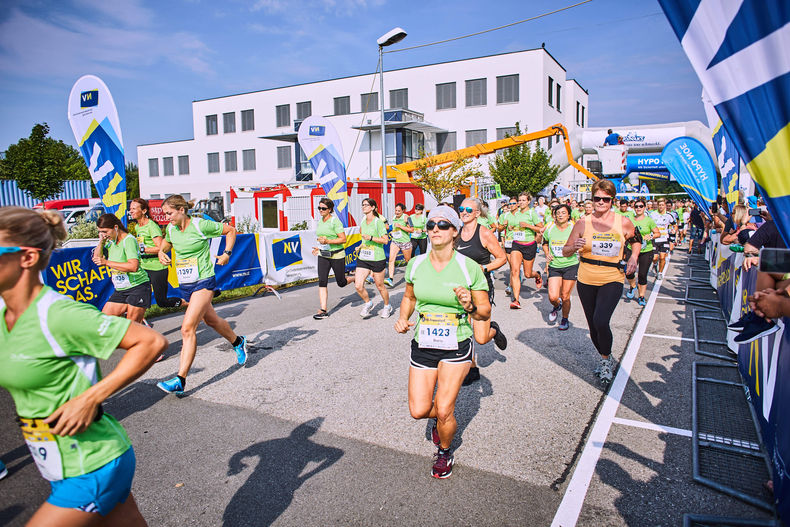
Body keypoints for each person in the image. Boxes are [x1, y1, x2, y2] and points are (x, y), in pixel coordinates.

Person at [0, 206, 167, 526]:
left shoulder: (57, 315)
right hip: (59, 465)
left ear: (27, 258)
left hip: (93, 463)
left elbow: (151, 342)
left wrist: (90, 398)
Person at [394, 205, 491, 479]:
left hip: (457, 343)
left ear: (455, 232)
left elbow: (484, 312)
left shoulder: (468, 267)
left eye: (443, 224)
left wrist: (469, 304)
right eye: (430, 224)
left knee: (445, 409)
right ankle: (441, 420)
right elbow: (410, 297)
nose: (435, 229)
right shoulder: (415, 263)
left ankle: (444, 451)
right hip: (423, 342)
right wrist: (403, 318)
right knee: (419, 410)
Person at [155, 195, 248, 395]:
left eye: (169, 213)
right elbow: (166, 243)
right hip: (186, 284)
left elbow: (230, 230)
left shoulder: (200, 225)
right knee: (212, 321)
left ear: (181, 210)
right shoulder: (171, 229)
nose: (167, 218)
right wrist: (161, 252)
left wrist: (227, 253)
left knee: (188, 328)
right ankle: (238, 342)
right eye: (165, 214)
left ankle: (180, 378)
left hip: (204, 281)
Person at [563, 179, 640, 384]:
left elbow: (636, 239)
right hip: (586, 278)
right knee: (592, 326)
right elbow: (565, 249)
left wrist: (633, 258)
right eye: (597, 198)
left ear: (612, 200)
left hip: (612, 278)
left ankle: (605, 361)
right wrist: (574, 246)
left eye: (605, 199)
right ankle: (605, 354)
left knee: (601, 320)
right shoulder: (582, 222)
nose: (600, 203)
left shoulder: (622, 221)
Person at [455, 198, 509, 385]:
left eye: (469, 209)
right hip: (460, 290)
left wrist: (483, 268)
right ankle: (471, 368)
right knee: (463, 329)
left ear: (478, 213)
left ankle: (494, 330)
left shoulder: (484, 233)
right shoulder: (456, 233)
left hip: (481, 287)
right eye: (461, 208)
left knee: (481, 337)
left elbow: (502, 258)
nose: (464, 212)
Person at [93, 214, 151, 324]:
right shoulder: (111, 242)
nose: (103, 235)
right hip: (121, 289)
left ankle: (149, 339)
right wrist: (101, 241)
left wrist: (107, 262)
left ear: (115, 227)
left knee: (132, 327)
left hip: (137, 287)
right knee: (104, 321)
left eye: (105, 231)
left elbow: (133, 266)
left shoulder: (129, 240)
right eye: (100, 232)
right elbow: (97, 258)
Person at [129, 198, 182, 310]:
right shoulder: (137, 226)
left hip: (157, 268)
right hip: (144, 267)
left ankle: (188, 304)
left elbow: (160, 248)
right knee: (140, 297)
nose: (131, 211)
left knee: (162, 301)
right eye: (130, 209)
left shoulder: (151, 226)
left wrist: (142, 250)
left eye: (134, 208)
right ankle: (137, 322)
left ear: (143, 211)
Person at [502, 192, 543, 309]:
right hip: (516, 245)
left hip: (529, 245)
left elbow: (541, 228)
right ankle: (516, 300)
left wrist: (528, 226)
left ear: (528, 201)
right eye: (519, 200)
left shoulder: (532, 213)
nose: (521, 202)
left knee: (527, 273)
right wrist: (511, 227)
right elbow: (515, 226)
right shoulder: (516, 214)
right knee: (514, 271)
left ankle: (537, 276)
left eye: (523, 200)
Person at [354, 198, 393, 318]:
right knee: (358, 285)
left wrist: (371, 237)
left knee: (380, 286)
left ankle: (387, 306)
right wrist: (360, 246)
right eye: (363, 205)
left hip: (377, 258)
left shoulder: (378, 222)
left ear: (373, 207)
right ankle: (368, 303)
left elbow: (385, 240)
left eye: (366, 205)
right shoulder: (363, 221)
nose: (363, 207)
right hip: (364, 257)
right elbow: (364, 238)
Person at [542, 204, 578, 330]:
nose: (561, 215)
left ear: (569, 215)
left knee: (565, 296)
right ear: (555, 216)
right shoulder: (550, 229)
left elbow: (583, 243)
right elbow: (544, 243)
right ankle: (557, 305)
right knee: (553, 296)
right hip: (554, 266)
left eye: (563, 213)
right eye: (558, 213)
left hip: (571, 265)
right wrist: (547, 254)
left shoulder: (574, 228)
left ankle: (564, 319)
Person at [311, 198, 348, 320]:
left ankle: (354, 278)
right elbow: (322, 239)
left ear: (330, 209)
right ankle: (323, 310)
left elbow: (343, 239)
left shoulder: (335, 222)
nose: (321, 210)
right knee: (322, 281)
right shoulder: (320, 221)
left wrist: (328, 241)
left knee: (341, 282)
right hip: (324, 255)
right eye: (319, 208)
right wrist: (319, 248)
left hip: (337, 255)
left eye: (323, 208)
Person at [624, 199, 659, 306]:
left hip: (646, 251)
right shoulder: (630, 220)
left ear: (644, 208)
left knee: (643, 275)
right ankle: (633, 286)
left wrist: (651, 236)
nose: (638, 208)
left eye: (641, 206)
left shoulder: (649, 220)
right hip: (632, 248)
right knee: (628, 272)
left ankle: (641, 296)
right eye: (636, 206)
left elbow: (658, 233)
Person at [386, 203, 414, 287]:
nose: (397, 212)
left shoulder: (407, 218)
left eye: (399, 211)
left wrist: (401, 226)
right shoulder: (394, 217)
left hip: (405, 242)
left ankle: (413, 275)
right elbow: (395, 228)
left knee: (408, 261)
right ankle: (390, 279)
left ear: (403, 211)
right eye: (396, 210)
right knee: (391, 260)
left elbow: (411, 230)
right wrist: (392, 231)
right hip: (395, 241)